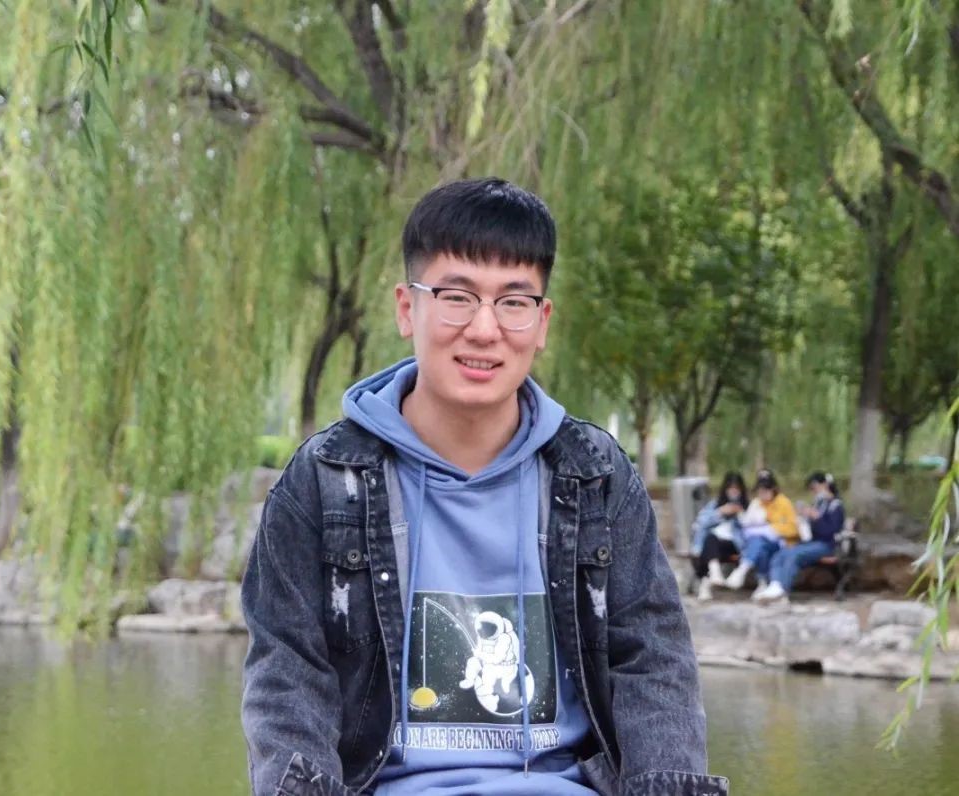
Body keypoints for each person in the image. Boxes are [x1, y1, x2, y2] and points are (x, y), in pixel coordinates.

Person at [241, 178, 728, 795]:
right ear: (406, 308)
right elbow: (287, 678)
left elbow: (652, 659)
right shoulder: (324, 481)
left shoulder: (595, 475)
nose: (484, 328)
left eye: (513, 301)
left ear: (542, 321)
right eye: (457, 297)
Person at [754, 472, 846, 603]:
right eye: (812, 489)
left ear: (825, 485)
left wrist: (816, 518)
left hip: (826, 545)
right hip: (810, 543)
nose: (814, 492)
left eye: (815, 488)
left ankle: (783, 590)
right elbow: (808, 531)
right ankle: (775, 585)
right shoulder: (818, 504)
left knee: (794, 555)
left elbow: (831, 531)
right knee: (780, 554)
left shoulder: (836, 506)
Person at [722, 469, 798, 598]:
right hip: (759, 543)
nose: (762, 495)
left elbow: (793, 529)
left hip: (781, 543)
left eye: (765, 491)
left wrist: (772, 529)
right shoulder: (757, 503)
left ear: (773, 489)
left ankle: (743, 569)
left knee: (759, 542)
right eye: (760, 492)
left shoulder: (783, 503)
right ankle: (761, 582)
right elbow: (747, 524)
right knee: (760, 546)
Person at [691, 472, 749, 601]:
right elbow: (700, 523)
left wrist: (741, 515)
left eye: (736, 488)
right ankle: (714, 573)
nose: (733, 491)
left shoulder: (747, 506)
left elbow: (751, 529)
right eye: (730, 488)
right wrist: (720, 512)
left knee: (707, 545)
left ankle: (706, 584)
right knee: (709, 540)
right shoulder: (715, 504)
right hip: (715, 543)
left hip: (736, 545)